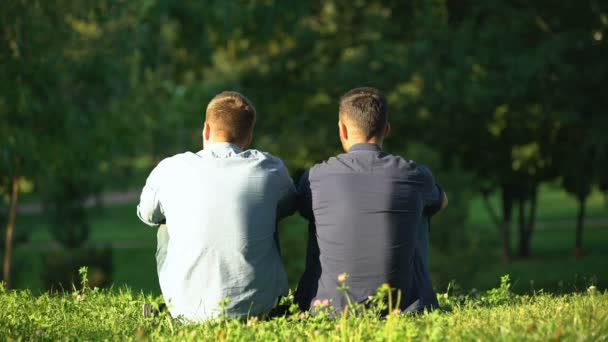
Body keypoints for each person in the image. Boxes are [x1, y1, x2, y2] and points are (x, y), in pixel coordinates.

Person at [137, 91, 297, 322]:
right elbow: (289, 205)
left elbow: (148, 214)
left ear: (206, 129)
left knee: (164, 224)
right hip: (258, 309)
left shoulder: (171, 169)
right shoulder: (271, 168)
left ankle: (182, 298)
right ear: (249, 137)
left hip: (187, 312)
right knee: (267, 213)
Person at [294, 87, 447, 314]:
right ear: (386, 129)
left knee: (321, 213)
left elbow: (302, 208)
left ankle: (327, 295)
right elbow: (441, 201)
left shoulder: (315, 177)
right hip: (400, 305)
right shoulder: (414, 175)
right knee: (421, 206)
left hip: (329, 309)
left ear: (343, 129)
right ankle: (411, 297)